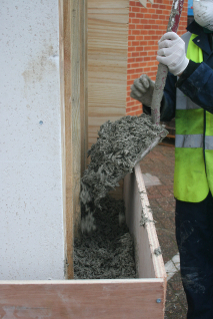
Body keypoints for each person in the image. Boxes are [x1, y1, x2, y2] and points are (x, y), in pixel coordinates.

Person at [130, 1, 213, 318]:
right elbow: (173, 110)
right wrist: (154, 100)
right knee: (197, 283)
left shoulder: (184, 55)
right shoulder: (187, 44)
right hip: (192, 190)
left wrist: (187, 69)